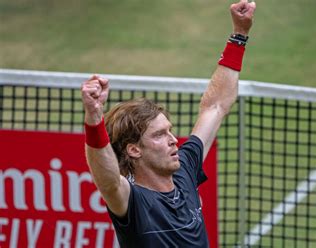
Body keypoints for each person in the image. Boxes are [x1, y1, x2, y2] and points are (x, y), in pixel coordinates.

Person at [80, 0, 256, 247]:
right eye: (160, 135)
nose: (174, 139)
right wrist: (94, 116)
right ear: (134, 149)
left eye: (170, 131)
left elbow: (215, 107)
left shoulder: (184, 170)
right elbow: (107, 180)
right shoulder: (133, 202)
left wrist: (239, 35)